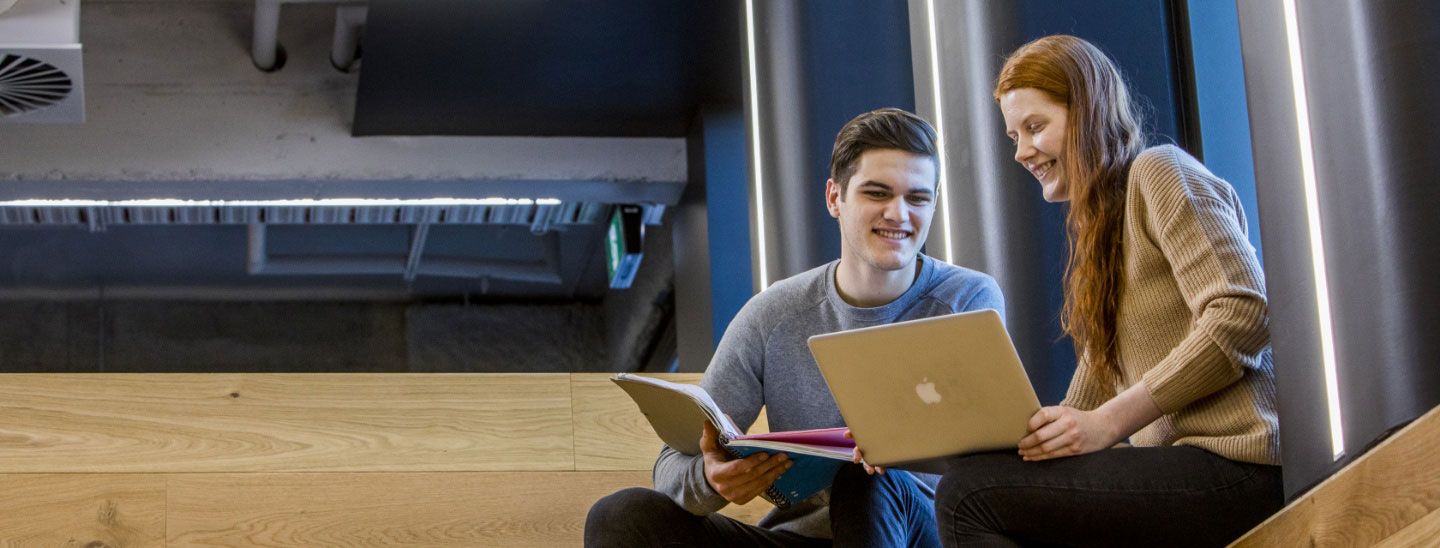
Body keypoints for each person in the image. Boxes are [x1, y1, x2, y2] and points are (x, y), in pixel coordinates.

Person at [585, 108, 1004, 547]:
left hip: (920, 532)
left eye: (917, 198)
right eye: (877, 193)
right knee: (622, 516)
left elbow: (989, 453)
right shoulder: (774, 314)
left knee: (867, 478)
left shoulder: (967, 300)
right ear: (834, 198)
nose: (898, 214)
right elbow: (674, 461)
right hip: (805, 536)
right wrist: (710, 479)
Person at [934, 35, 1283, 547]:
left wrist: (1106, 423)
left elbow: (1243, 313)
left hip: (1242, 466)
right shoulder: (1103, 233)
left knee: (969, 498)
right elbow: (1091, 393)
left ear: (1088, 112)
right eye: (1014, 136)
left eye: (1035, 127)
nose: (1022, 151)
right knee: (979, 485)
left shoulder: (1160, 172)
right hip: (1186, 470)